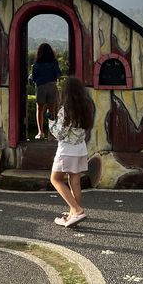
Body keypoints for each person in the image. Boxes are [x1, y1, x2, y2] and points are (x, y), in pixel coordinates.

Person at [49, 77, 94, 228]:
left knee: (55, 179)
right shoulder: (86, 107)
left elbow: (59, 133)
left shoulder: (66, 110)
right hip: (81, 149)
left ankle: (77, 210)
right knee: (74, 180)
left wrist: (50, 123)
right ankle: (71, 216)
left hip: (66, 150)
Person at [31, 43, 62, 139]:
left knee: (39, 110)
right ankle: (51, 134)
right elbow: (58, 74)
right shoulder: (54, 63)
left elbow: (34, 78)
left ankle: (40, 133)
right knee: (51, 111)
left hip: (41, 87)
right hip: (52, 86)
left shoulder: (36, 65)